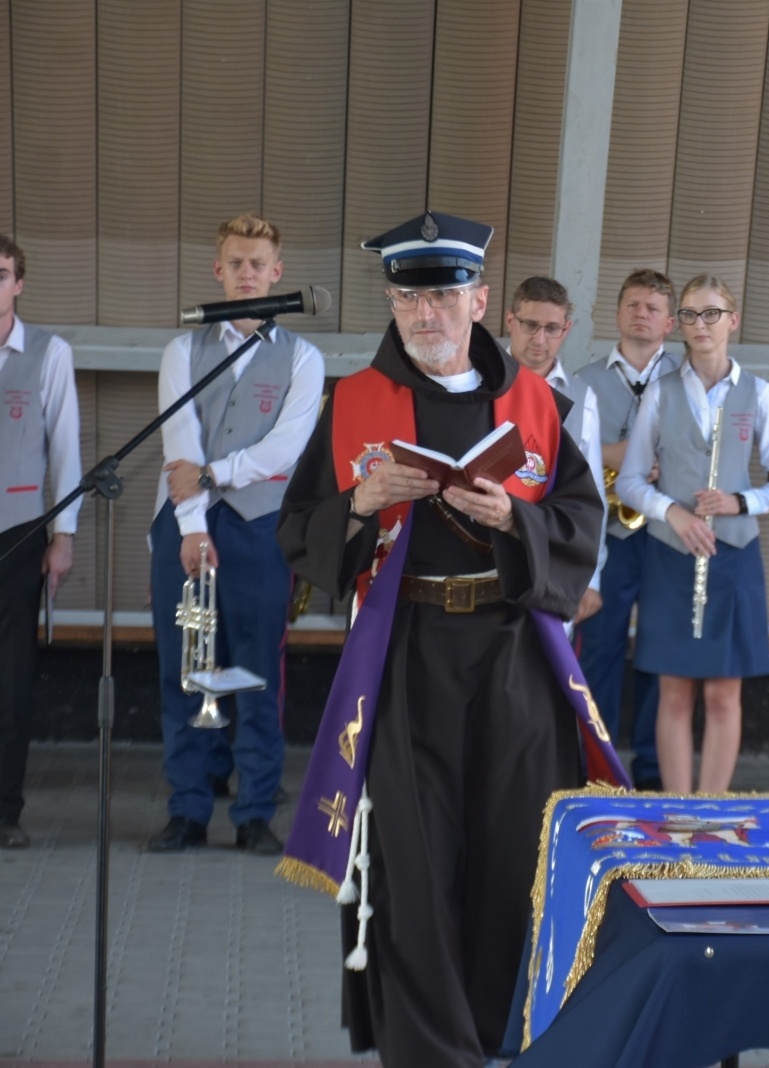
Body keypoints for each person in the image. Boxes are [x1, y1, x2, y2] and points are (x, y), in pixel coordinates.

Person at [275, 211, 605, 1065]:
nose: (427, 315)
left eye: (445, 296)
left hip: (512, 661)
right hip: (406, 654)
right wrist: (358, 502)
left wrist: (513, 521)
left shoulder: (536, 404)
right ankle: (429, 1051)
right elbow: (297, 527)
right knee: (413, 867)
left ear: (480, 299)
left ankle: (504, 1033)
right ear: (392, 302)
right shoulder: (353, 403)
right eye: (408, 298)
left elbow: (580, 523)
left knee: (512, 855)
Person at [147, 213, 325, 855]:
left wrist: (216, 474)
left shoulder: (303, 358)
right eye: (235, 262)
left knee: (256, 672)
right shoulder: (182, 350)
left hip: (259, 528)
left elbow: (286, 447)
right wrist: (192, 528)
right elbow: (178, 445)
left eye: (258, 264)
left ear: (277, 274)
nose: (246, 273)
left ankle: (254, 811)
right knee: (185, 668)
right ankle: (188, 809)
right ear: (216, 270)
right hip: (186, 526)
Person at [615, 274, 769, 794]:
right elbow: (629, 481)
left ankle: (711, 810)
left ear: (732, 320)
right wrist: (672, 512)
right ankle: (676, 809)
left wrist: (743, 502)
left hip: (734, 555)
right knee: (674, 693)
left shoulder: (759, 394)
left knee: (722, 695)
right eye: (690, 314)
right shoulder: (661, 393)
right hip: (671, 555)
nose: (700, 324)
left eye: (711, 313)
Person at [574, 269, 680, 789]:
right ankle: (599, 765)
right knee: (600, 647)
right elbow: (573, 459)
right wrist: (621, 458)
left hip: (663, 534)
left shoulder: (687, 381)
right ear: (617, 314)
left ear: (670, 323)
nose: (641, 313)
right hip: (607, 536)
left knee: (660, 651)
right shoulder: (583, 381)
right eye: (633, 304)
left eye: (653, 307)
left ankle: (655, 769)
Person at [0, 234, 81, 851]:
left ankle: (5, 809)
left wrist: (63, 533)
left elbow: (66, 448)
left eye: (1, 275)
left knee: (12, 676)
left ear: (19, 283)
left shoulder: (47, 352)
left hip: (19, 528)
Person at [504, 275, 607, 624]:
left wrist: (590, 577)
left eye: (552, 328)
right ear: (510, 321)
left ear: (566, 329)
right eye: (530, 325)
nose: (539, 339)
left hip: (555, 552)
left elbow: (593, 495)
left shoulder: (583, 397)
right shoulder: (480, 383)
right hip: (492, 549)